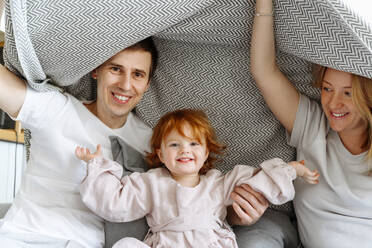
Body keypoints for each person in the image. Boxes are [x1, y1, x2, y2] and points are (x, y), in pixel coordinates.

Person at [75, 109, 319, 248]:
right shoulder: (150, 183)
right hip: (167, 243)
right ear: (160, 153)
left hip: (209, 243)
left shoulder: (220, 182)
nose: (185, 150)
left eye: (193, 144)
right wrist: (97, 165)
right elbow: (115, 203)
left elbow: (259, 181)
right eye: (174, 144)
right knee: (126, 245)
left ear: (205, 153)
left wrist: (292, 169)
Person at [0, 38, 158, 247]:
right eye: (116, 69)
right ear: (96, 71)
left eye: (137, 74)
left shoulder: (153, 143)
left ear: (147, 84)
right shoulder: (57, 110)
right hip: (24, 238)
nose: (126, 85)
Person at [250, 0, 372, 247]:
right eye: (327, 89)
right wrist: (264, 5)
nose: (333, 103)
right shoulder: (312, 126)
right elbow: (263, 71)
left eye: (348, 93)